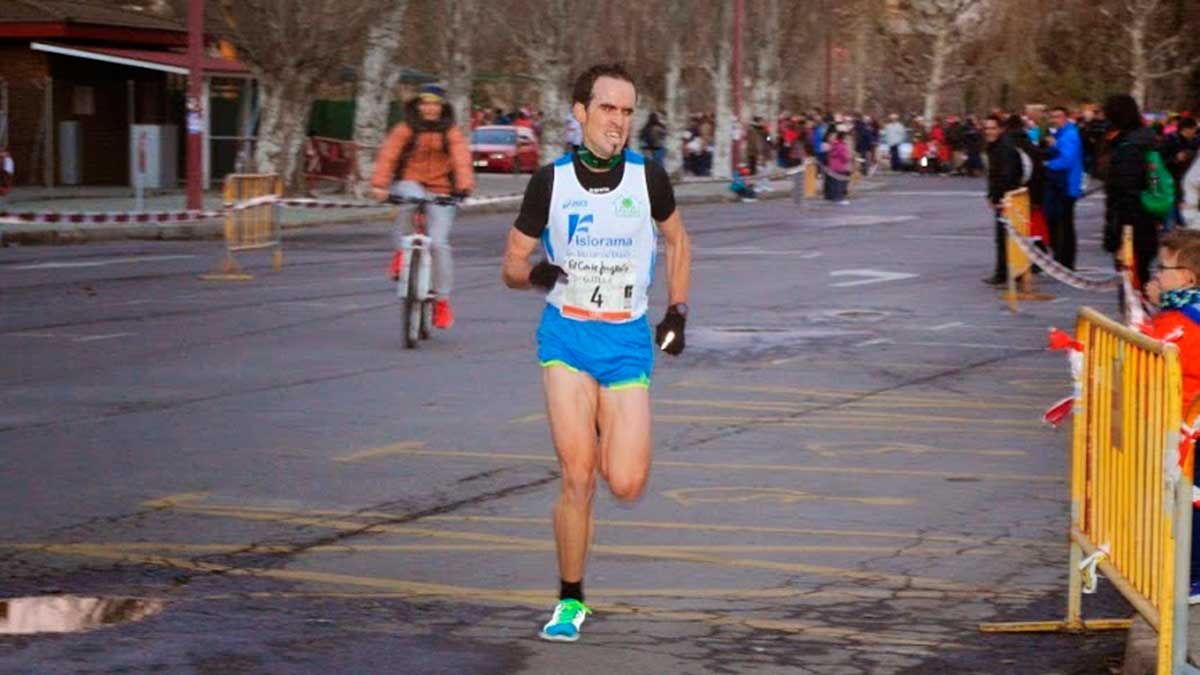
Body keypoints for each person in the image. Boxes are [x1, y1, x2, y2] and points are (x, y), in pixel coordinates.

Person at [500, 62, 692, 643]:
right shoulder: (550, 183)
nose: (619, 121)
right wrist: (536, 275)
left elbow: (678, 240)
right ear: (580, 113)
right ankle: (570, 600)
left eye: (628, 111)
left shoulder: (648, 177)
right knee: (578, 476)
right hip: (568, 336)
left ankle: (608, 425)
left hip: (627, 338)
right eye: (608, 108)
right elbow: (510, 265)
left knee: (626, 483)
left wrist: (677, 311)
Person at [371, 84, 475, 329]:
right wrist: (379, 185)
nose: (430, 109)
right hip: (410, 183)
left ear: (442, 108)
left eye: (435, 104)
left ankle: (441, 302)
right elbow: (389, 155)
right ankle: (400, 253)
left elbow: (461, 160)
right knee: (408, 202)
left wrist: (463, 188)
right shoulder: (405, 129)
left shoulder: (451, 132)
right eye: (426, 104)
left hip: (442, 190)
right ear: (418, 106)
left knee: (439, 243)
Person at [1142, 230, 1200, 599]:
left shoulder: (1181, 321)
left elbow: (1153, 352)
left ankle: (1192, 576)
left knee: (1190, 500)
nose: (1156, 275)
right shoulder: (1181, 313)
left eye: (1163, 268)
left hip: (1189, 425)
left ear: (1188, 277)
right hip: (1187, 422)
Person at [1099, 93, 1159, 287]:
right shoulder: (1147, 138)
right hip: (1147, 216)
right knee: (1141, 272)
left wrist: (1114, 235)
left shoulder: (1127, 146)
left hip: (1131, 224)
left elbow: (1123, 193)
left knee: (1132, 278)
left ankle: (1135, 316)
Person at [1044, 106, 1084, 269]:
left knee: (1065, 224)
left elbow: (1066, 160)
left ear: (1066, 117)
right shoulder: (1062, 134)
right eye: (1052, 117)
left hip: (1067, 184)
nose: (1055, 120)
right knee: (1062, 223)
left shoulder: (1069, 135)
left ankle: (1066, 261)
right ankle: (1063, 258)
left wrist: (1048, 164)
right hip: (1064, 184)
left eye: (1058, 116)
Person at [984, 114, 1021, 285]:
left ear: (1000, 129)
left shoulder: (1003, 148)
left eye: (992, 128)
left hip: (1007, 197)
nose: (989, 132)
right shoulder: (995, 146)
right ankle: (1008, 271)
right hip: (1004, 196)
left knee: (1005, 235)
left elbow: (1005, 175)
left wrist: (997, 196)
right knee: (1005, 236)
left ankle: (1005, 272)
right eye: (987, 128)